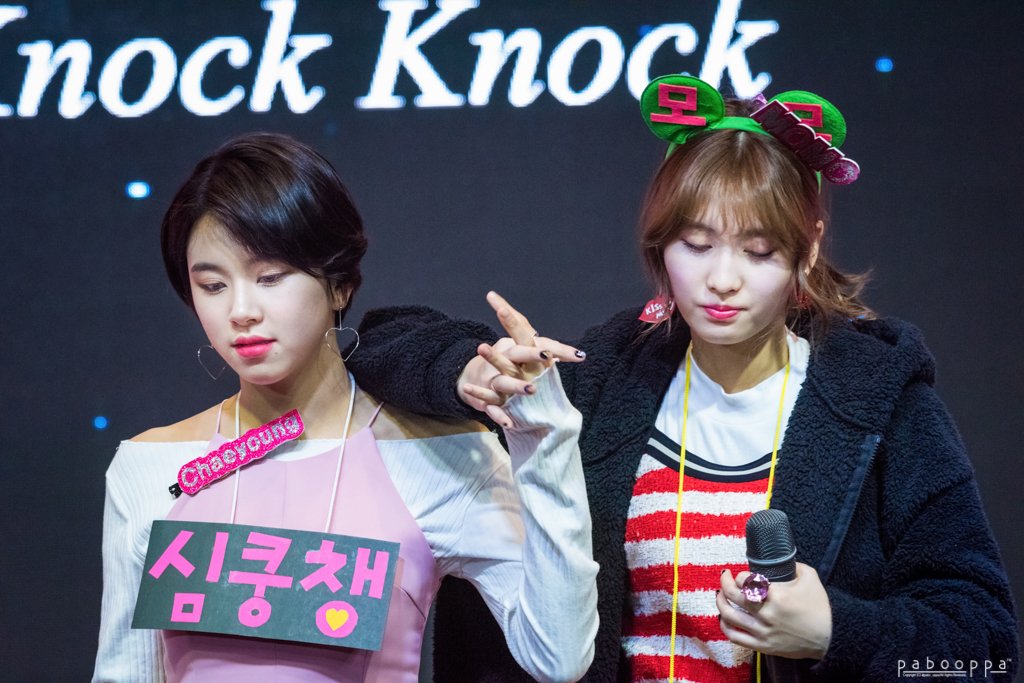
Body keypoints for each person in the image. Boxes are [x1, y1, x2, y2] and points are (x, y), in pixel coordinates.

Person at [346, 76, 1019, 681]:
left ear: (808, 247)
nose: (722, 279)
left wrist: (836, 631)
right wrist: (469, 367)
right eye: (696, 244)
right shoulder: (605, 380)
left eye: (759, 250)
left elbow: (985, 649)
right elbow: (376, 340)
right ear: (660, 243)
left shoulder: (881, 404)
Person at [92, 133, 598, 682]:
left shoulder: (435, 458)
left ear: (339, 285)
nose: (240, 310)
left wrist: (541, 429)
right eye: (213, 285)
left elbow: (558, 657)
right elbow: (125, 673)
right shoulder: (151, 466)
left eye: (269, 277)